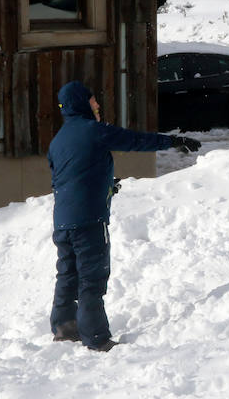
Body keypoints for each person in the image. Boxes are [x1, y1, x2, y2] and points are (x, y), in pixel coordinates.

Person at [47, 80, 200, 351]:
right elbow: (135, 140)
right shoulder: (94, 131)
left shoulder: (58, 140)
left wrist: (105, 185)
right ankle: (96, 337)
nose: (97, 105)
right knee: (92, 277)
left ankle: (64, 327)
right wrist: (172, 141)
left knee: (68, 274)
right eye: (93, 100)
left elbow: (65, 178)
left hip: (63, 220)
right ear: (82, 103)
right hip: (89, 220)